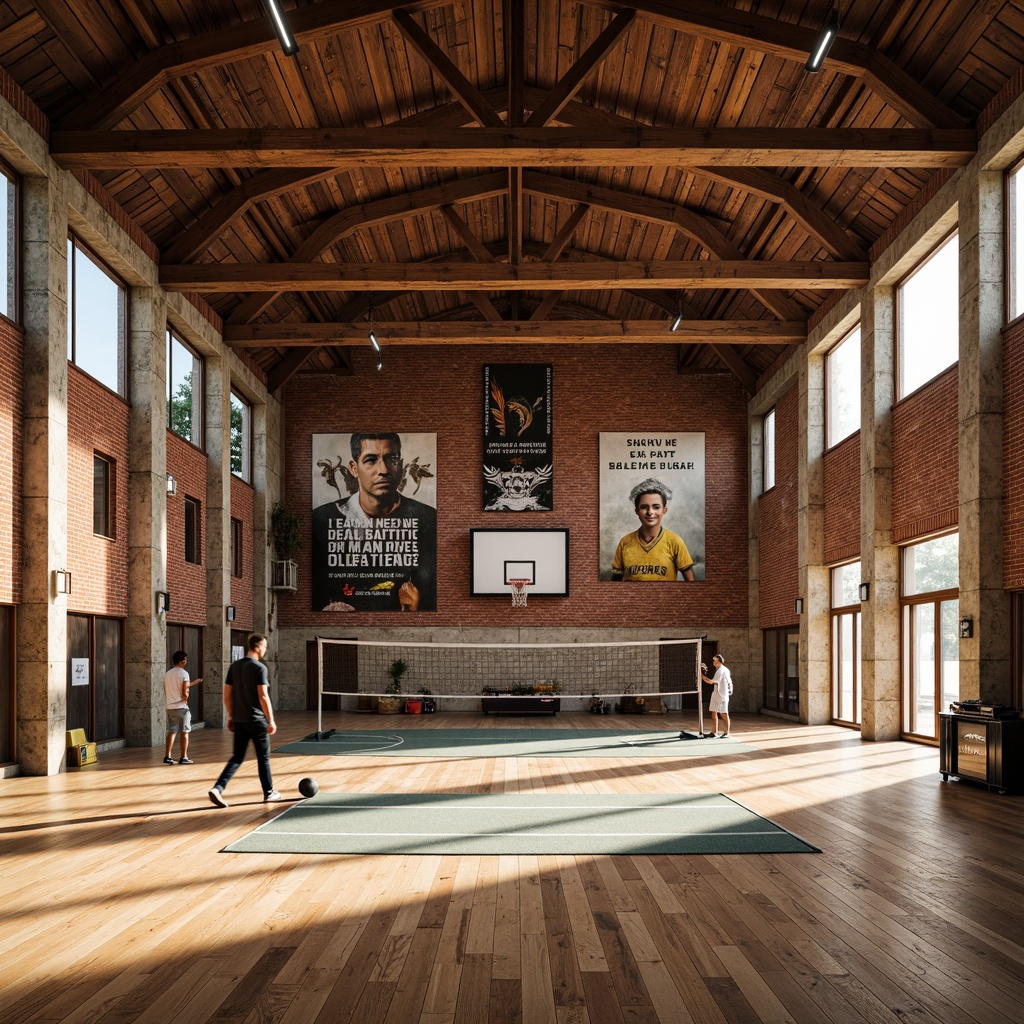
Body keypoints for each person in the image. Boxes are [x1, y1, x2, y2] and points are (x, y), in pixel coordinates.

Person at [312, 432, 437, 611]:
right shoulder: (322, 518)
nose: (383, 470)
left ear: (400, 466)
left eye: (391, 459)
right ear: (354, 468)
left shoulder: (428, 520)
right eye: (371, 460)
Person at [208, 633, 280, 807]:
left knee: (237, 757)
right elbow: (263, 696)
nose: (265, 649)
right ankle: (269, 792)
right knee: (263, 757)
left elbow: (227, 695)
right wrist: (271, 720)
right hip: (257, 721)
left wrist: (231, 716)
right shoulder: (259, 668)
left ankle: (218, 788)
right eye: (265, 646)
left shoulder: (235, 667)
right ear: (257, 646)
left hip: (240, 720)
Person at [611, 478, 695, 581]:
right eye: (644, 507)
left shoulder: (675, 541)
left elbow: (691, 581)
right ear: (637, 511)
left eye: (656, 507)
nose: (650, 512)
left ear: (664, 510)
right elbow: (615, 582)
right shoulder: (625, 542)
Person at [164, 650, 200, 764]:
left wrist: (193, 683)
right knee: (185, 731)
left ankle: (167, 756)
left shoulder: (167, 674)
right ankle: (184, 757)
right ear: (183, 661)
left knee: (172, 731)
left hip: (170, 707)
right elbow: (184, 690)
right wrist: (185, 697)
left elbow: (173, 686)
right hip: (181, 707)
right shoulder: (184, 673)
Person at [700, 654, 733, 738]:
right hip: (716, 693)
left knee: (723, 713)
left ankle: (727, 732)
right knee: (714, 713)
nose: (713, 662)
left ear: (719, 661)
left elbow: (712, 682)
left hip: (722, 694)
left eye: (715, 660)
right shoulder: (722, 670)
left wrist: (701, 676)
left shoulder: (721, 671)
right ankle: (714, 732)